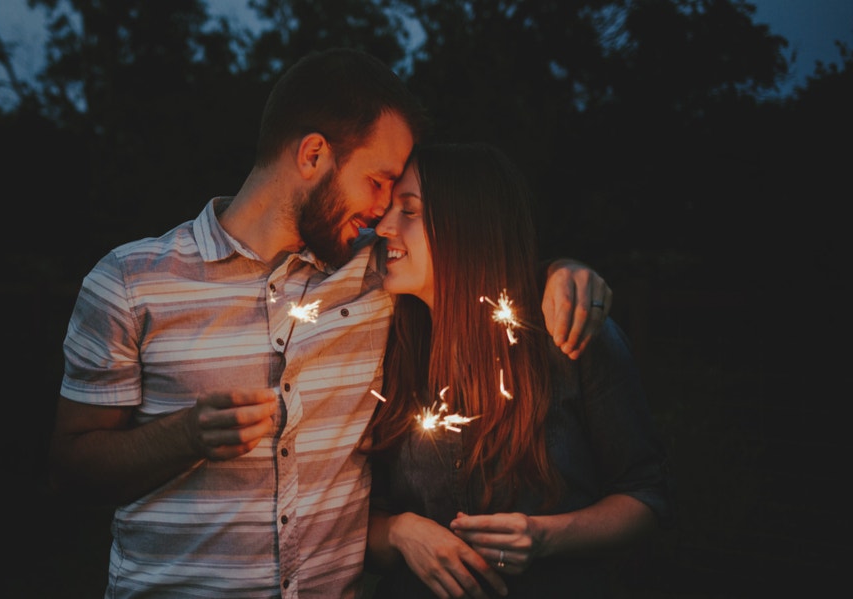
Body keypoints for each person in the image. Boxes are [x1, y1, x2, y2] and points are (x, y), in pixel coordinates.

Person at [50, 48, 614, 599]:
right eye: (378, 180)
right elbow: (74, 465)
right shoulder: (130, 280)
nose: (384, 209)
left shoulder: (376, 273)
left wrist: (561, 271)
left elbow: (471, 263)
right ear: (314, 154)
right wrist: (186, 436)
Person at [361, 142, 672, 599]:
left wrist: (545, 536)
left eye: (409, 210)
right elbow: (355, 510)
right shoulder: (386, 348)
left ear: (468, 227)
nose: (384, 227)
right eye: (389, 209)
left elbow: (647, 497)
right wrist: (400, 532)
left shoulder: (569, 337)